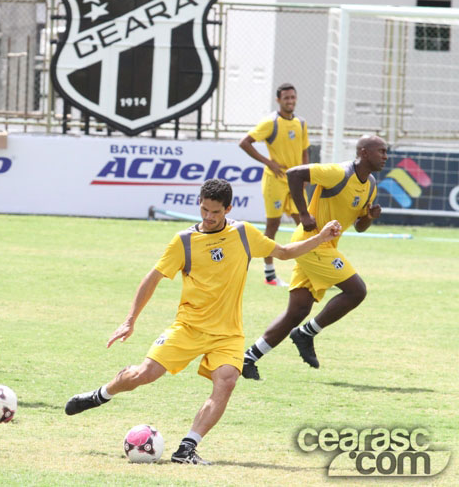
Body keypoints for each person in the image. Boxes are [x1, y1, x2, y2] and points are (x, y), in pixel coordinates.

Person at [64, 179, 342, 464]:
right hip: (189, 328)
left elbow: (283, 252)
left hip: (228, 334)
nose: (208, 217)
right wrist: (129, 320)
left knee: (227, 381)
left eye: (215, 212)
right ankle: (100, 395)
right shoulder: (183, 241)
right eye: (204, 210)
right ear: (199, 203)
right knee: (143, 375)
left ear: (228, 209)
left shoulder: (243, 233)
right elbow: (153, 278)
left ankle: (186, 449)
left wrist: (321, 237)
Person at [242, 135, 387, 380]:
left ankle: (248, 359)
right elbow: (294, 174)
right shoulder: (338, 173)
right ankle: (306, 333)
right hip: (312, 244)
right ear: (363, 152)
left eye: (385, 152)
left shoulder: (370, 184)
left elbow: (360, 226)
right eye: (381, 151)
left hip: (321, 247)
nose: (385, 156)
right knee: (357, 291)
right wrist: (303, 214)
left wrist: (369, 217)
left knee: (297, 311)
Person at [239, 83, 309, 286]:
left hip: (295, 181)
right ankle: (270, 275)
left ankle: (310, 271)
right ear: (278, 100)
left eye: (292, 97)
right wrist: (269, 162)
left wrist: (305, 174)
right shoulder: (271, 123)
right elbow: (244, 142)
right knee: (273, 225)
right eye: (286, 98)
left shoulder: (301, 123)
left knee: (305, 224)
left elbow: (305, 151)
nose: (290, 101)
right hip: (275, 180)